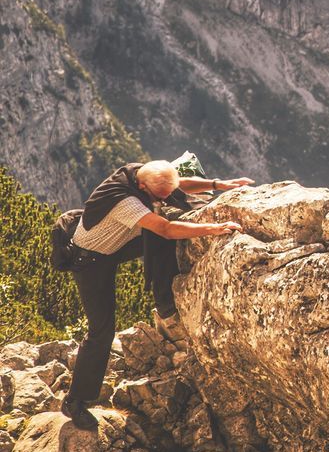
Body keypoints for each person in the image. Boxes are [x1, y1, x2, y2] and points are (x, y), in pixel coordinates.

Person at [60, 159, 253, 429]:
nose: (163, 198)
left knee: (165, 228)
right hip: (91, 260)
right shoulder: (125, 202)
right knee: (102, 331)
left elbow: (175, 184)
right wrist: (215, 229)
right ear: (142, 186)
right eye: (156, 196)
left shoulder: (145, 173)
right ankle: (76, 402)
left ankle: (165, 301)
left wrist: (217, 185)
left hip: (118, 242)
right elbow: (164, 228)